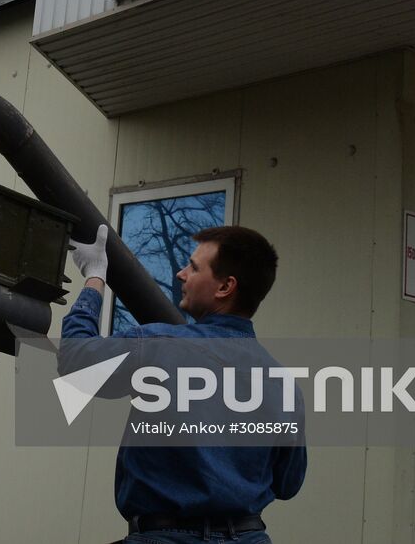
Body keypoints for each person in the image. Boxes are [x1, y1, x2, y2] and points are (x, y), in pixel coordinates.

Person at [62, 224, 306, 543]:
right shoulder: (283, 386)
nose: (180, 274)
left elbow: (76, 361)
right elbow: (288, 485)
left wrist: (94, 277)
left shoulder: (160, 346)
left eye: (193, 267)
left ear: (225, 287)